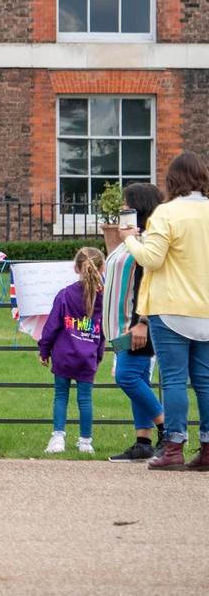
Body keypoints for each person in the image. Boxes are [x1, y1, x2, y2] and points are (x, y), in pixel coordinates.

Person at [119, 151, 209, 471]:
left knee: (173, 380)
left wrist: (129, 239)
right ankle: (208, 448)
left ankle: (173, 447)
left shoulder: (166, 213)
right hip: (206, 308)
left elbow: (152, 259)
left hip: (170, 307)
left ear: (173, 180)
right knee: (205, 381)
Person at [103, 181, 164, 460]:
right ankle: (143, 441)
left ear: (139, 208)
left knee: (127, 376)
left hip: (137, 323)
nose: (122, 209)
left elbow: (147, 283)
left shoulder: (148, 243)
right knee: (137, 377)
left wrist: (142, 321)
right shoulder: (131, 240)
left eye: (128, 205)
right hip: (122, 324)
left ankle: (168, 429)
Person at [40, 246, 106, 455]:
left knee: (61, 396)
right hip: (88, 356)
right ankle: (85, 442)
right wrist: (99, 354)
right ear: (102, 268)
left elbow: (51, 326)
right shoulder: (103, 299)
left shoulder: (65, 295)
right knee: (85, 399)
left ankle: (58, 438)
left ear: (75, 268)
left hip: (63, 355)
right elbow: (104, 331)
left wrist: (44, 350)